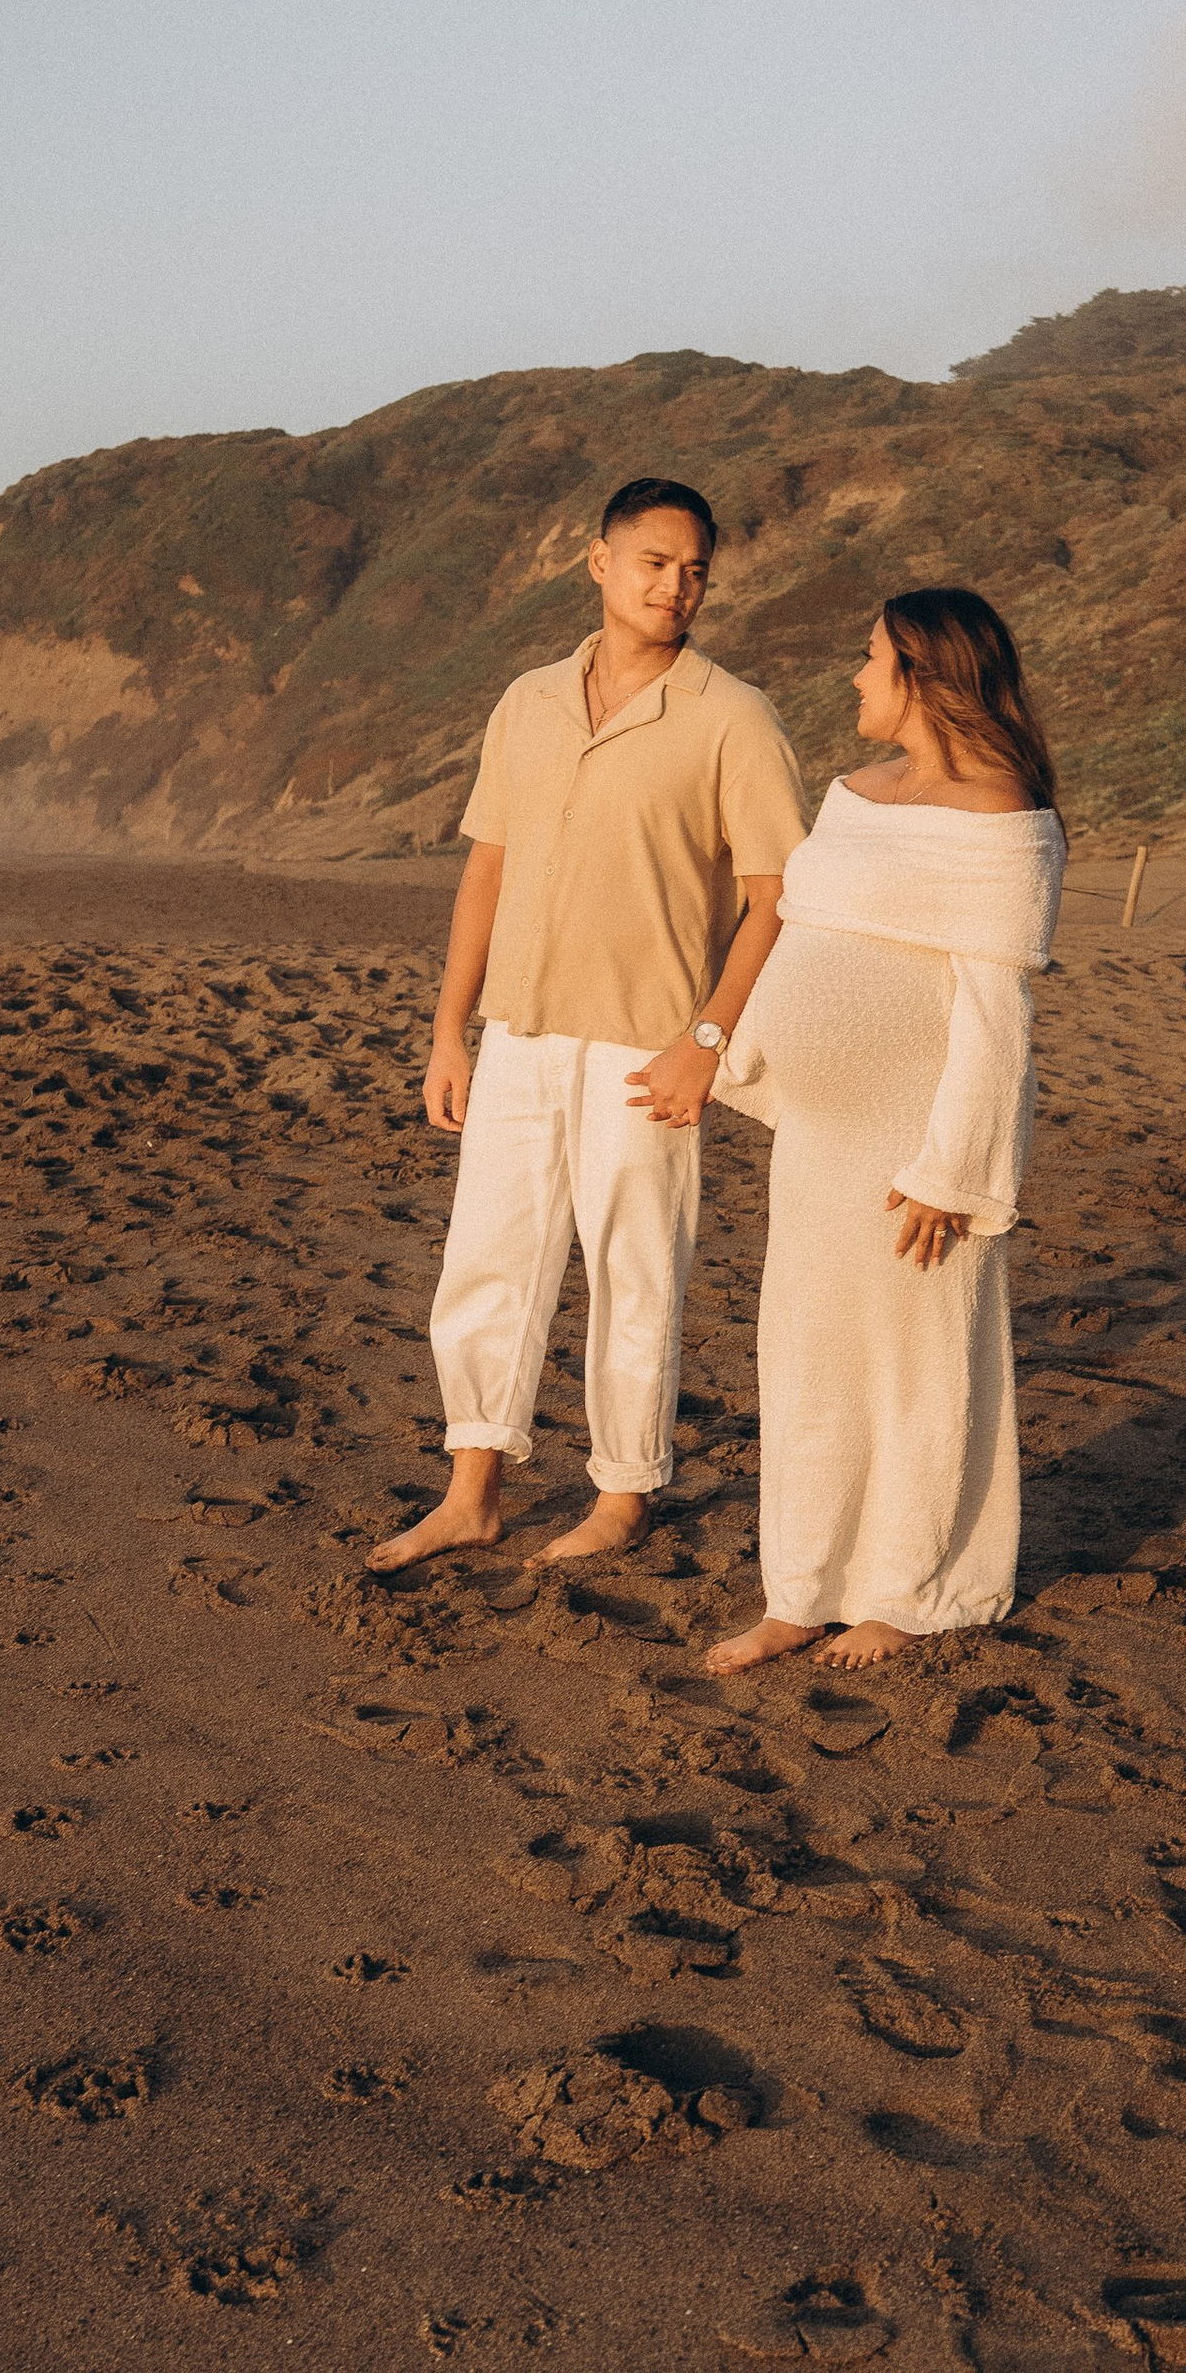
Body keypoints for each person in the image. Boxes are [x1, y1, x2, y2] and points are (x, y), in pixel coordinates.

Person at [369, 476, 810, 1572]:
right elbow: (488, 866)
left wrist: (704, 1043)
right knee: (485, 1264)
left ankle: (623, 1494)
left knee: (634, 1273)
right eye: (656, 563)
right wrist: (448, 1030)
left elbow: (777, 896)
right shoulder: (526, 701)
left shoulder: (732, 715)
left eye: (696, 570)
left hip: (646, 1047)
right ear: (599, 564)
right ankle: (472, 1490)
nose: (677, 586)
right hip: (517, 1033)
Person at [704, 586, 1064, 1671]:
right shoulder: (853, 793)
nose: (853, 678)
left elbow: (995, 1018)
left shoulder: (1005, 816)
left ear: (920, 670)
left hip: (915, 1143)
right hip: (815, 1139)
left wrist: (951, 1172)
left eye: (868, 659)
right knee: (806, 1359)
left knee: (917, 1367)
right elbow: (800, 927)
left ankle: (909, 1593)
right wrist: (729, 1046)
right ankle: (799, 1589)